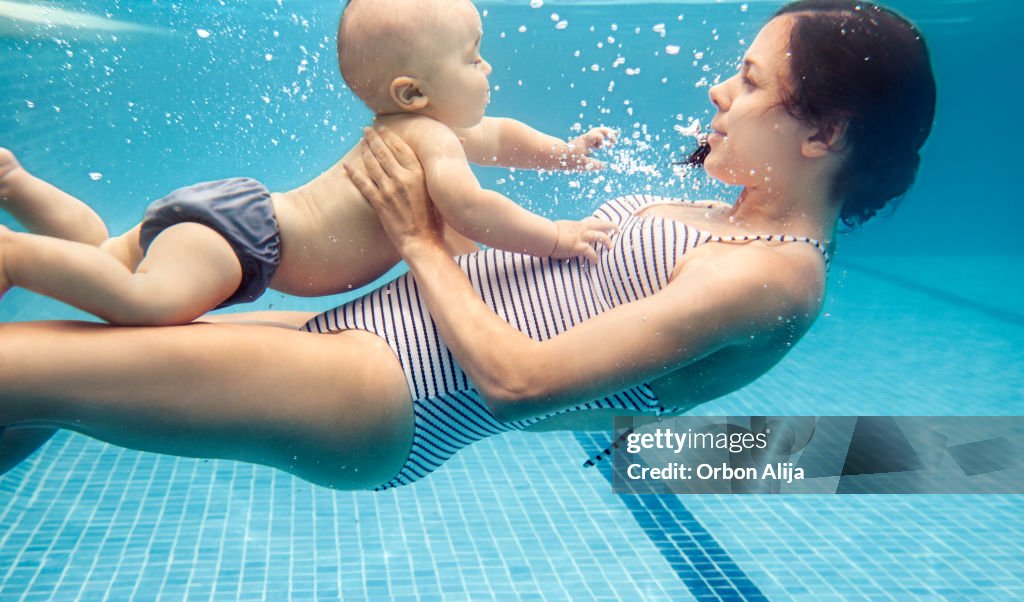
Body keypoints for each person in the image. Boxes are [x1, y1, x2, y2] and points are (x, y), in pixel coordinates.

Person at [0, 0, 936, 492]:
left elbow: (521, 385)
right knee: (54, 385)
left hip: (384, 392)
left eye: (748, 80)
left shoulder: (775, 276)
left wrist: (420, 239)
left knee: (19, 366)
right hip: (357, 350)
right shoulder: (732, 221)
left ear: (825, 134)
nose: (718, 95)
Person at [0, 0, 614, 326]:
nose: (488, 70)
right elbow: (471, 208)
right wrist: (555, 237)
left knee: (107, 254)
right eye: (473, 59)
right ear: (412, 92)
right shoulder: (428, 138)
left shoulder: (426, 130)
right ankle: (15, 254)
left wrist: (564, 155)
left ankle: (14, 183)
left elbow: (501, 135)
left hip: (237, 220)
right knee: (148, 305)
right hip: (242, 240)